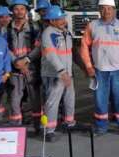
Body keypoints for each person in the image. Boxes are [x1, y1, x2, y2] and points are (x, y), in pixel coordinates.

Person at [80, 0, 119, 136]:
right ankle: (101, 128)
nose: (106, 12)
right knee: (100, 100)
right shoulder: (92, 26)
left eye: (109, 9)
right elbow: (83, 48)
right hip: (99, 71)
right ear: (99, 10)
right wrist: (88, 66)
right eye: (103, 9)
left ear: (114, 10)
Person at [6, 0, 43, 135]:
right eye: (16, 9)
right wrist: (16, 62)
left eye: (22, 9)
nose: (19, 11)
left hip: (32, 69)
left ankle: (38, 126)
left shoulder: (35, 27)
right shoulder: (6, 29)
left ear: (26, 10)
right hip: (15, 69)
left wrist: (26, 60)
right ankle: (16, 128)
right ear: (12, 11)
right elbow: (5, 48)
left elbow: (39, 47)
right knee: (15, 99)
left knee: (35, 99)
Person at [40, 5, 75, 142]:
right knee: (52, 102)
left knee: (69, 99)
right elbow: (51, 56)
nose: (62, 20)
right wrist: (61, 72)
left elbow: (70, 53)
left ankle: (69, 123)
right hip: (54, 74)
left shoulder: (66, 32)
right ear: (51, 21)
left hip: (67, 73)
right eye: (59, 19)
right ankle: (49, 130)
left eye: (62, 18)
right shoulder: (48, 34)